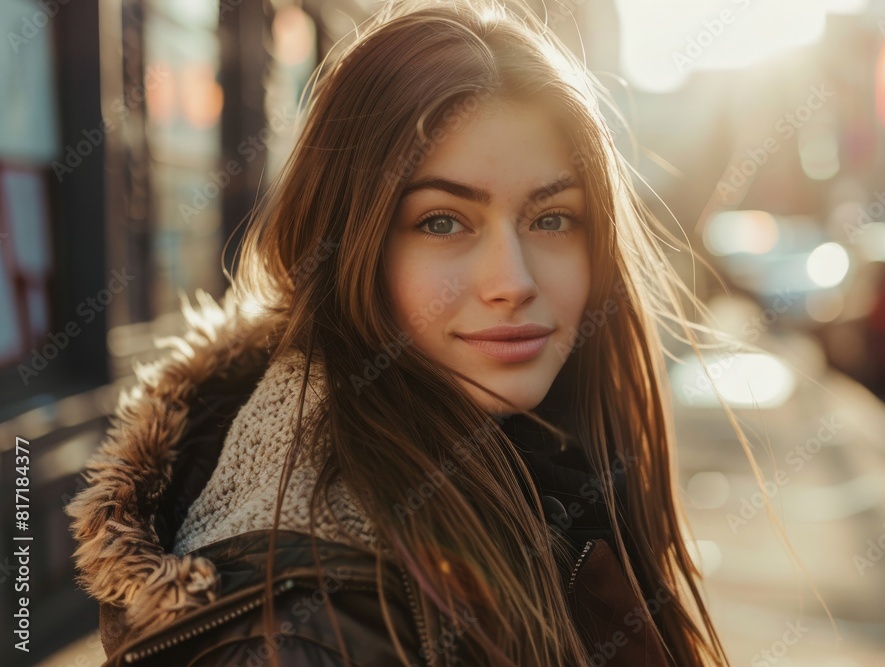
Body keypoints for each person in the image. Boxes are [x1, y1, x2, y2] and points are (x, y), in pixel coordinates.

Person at [66, 0, 735, 664]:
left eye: (552, 218)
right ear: (344, 246)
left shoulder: (552, 464)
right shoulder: (317, 627)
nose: (513, 281)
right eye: (442, 221)